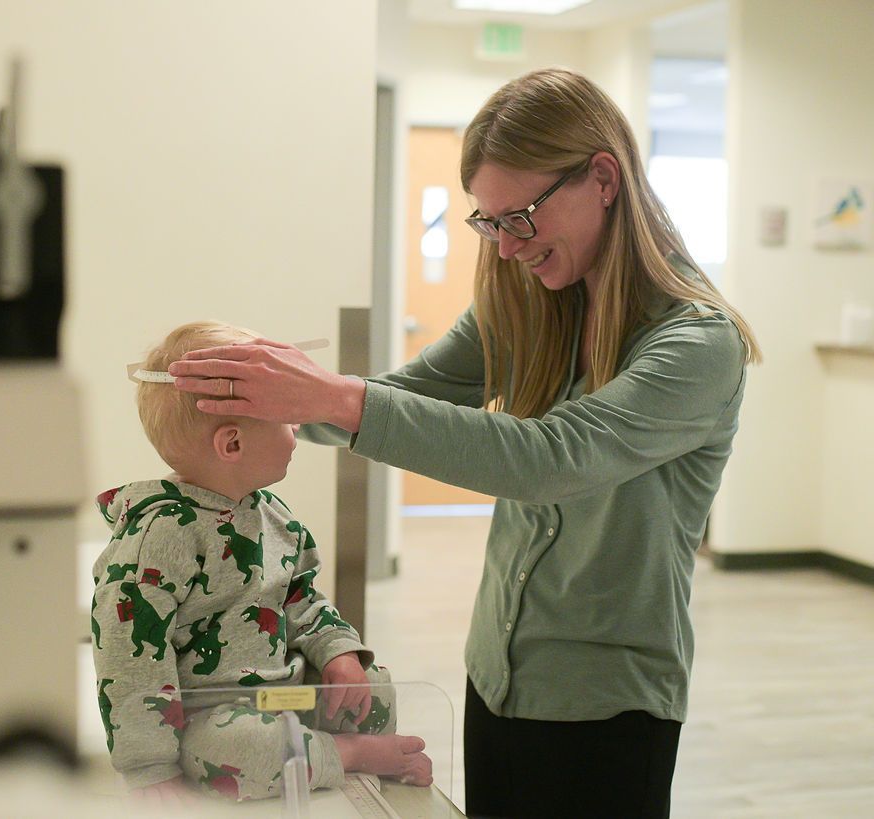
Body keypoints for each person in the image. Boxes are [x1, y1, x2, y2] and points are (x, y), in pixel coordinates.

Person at [166, 67, 761, 818]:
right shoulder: (532, 305)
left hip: (607, 708)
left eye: (522, 217)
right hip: (498, 676)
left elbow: (550, 458)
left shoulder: (699, 345)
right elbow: (411, 394)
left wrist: (328, 395)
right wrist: (253, 399)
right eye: (491, 222)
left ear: (603, 178)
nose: (509, 248)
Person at [90, 320, 433, 805]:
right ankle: (348, 756)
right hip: (209, 716)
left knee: (371, 686)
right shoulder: (160, 535)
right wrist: (148, 768)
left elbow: (300, 594)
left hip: (281, 694)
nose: (298, 426)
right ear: (232, 444)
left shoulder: (268, 512)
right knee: (238, 749)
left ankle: (338, 758)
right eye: (287, 416)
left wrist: (337, 651)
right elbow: (129, 658)